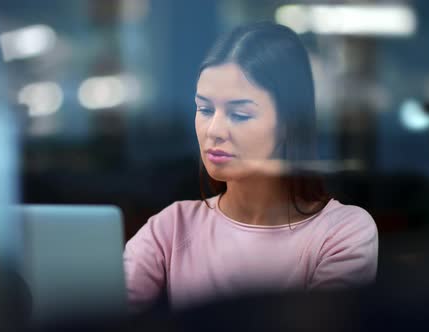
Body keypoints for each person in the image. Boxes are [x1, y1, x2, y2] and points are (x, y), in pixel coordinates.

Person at [123, 22, 378, 311]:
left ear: (289, 124)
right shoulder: (170, 228)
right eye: (205, 110)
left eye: (240, 114)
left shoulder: (341, 232)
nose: (214, 130)